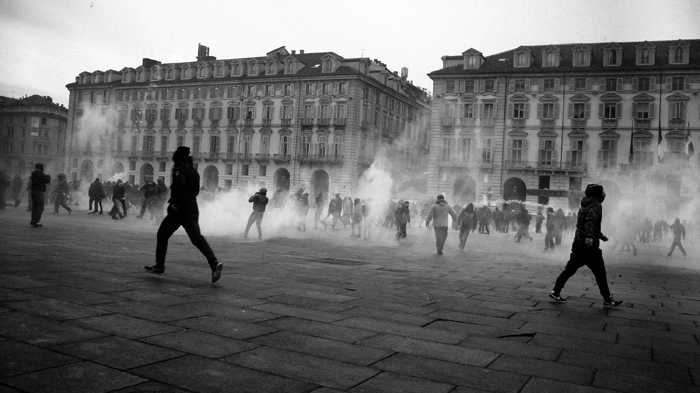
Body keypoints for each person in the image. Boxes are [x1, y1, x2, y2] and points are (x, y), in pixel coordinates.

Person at [144, 146, 222, 283]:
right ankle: (214, 263)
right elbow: (196, 191)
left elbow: (180, 186)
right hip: (193, 208)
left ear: (177, 158)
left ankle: (159, 265)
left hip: (179, 210)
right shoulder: (194, 172)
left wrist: (176, 203)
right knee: (197, 238)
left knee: (162, 234)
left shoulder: (179, 171)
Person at [549, 184, 623, 308]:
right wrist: (589, 237)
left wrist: (600, 235)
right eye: (602, 192)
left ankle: (555, 292)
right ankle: (607, 299)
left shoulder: (584, 204)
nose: (604, 194)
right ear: (597, 194)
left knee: (569, 269)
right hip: (589, 246)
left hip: (578, 244)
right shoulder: (595, 205)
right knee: (600, 272)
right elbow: (590, 221)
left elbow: (589, 223)